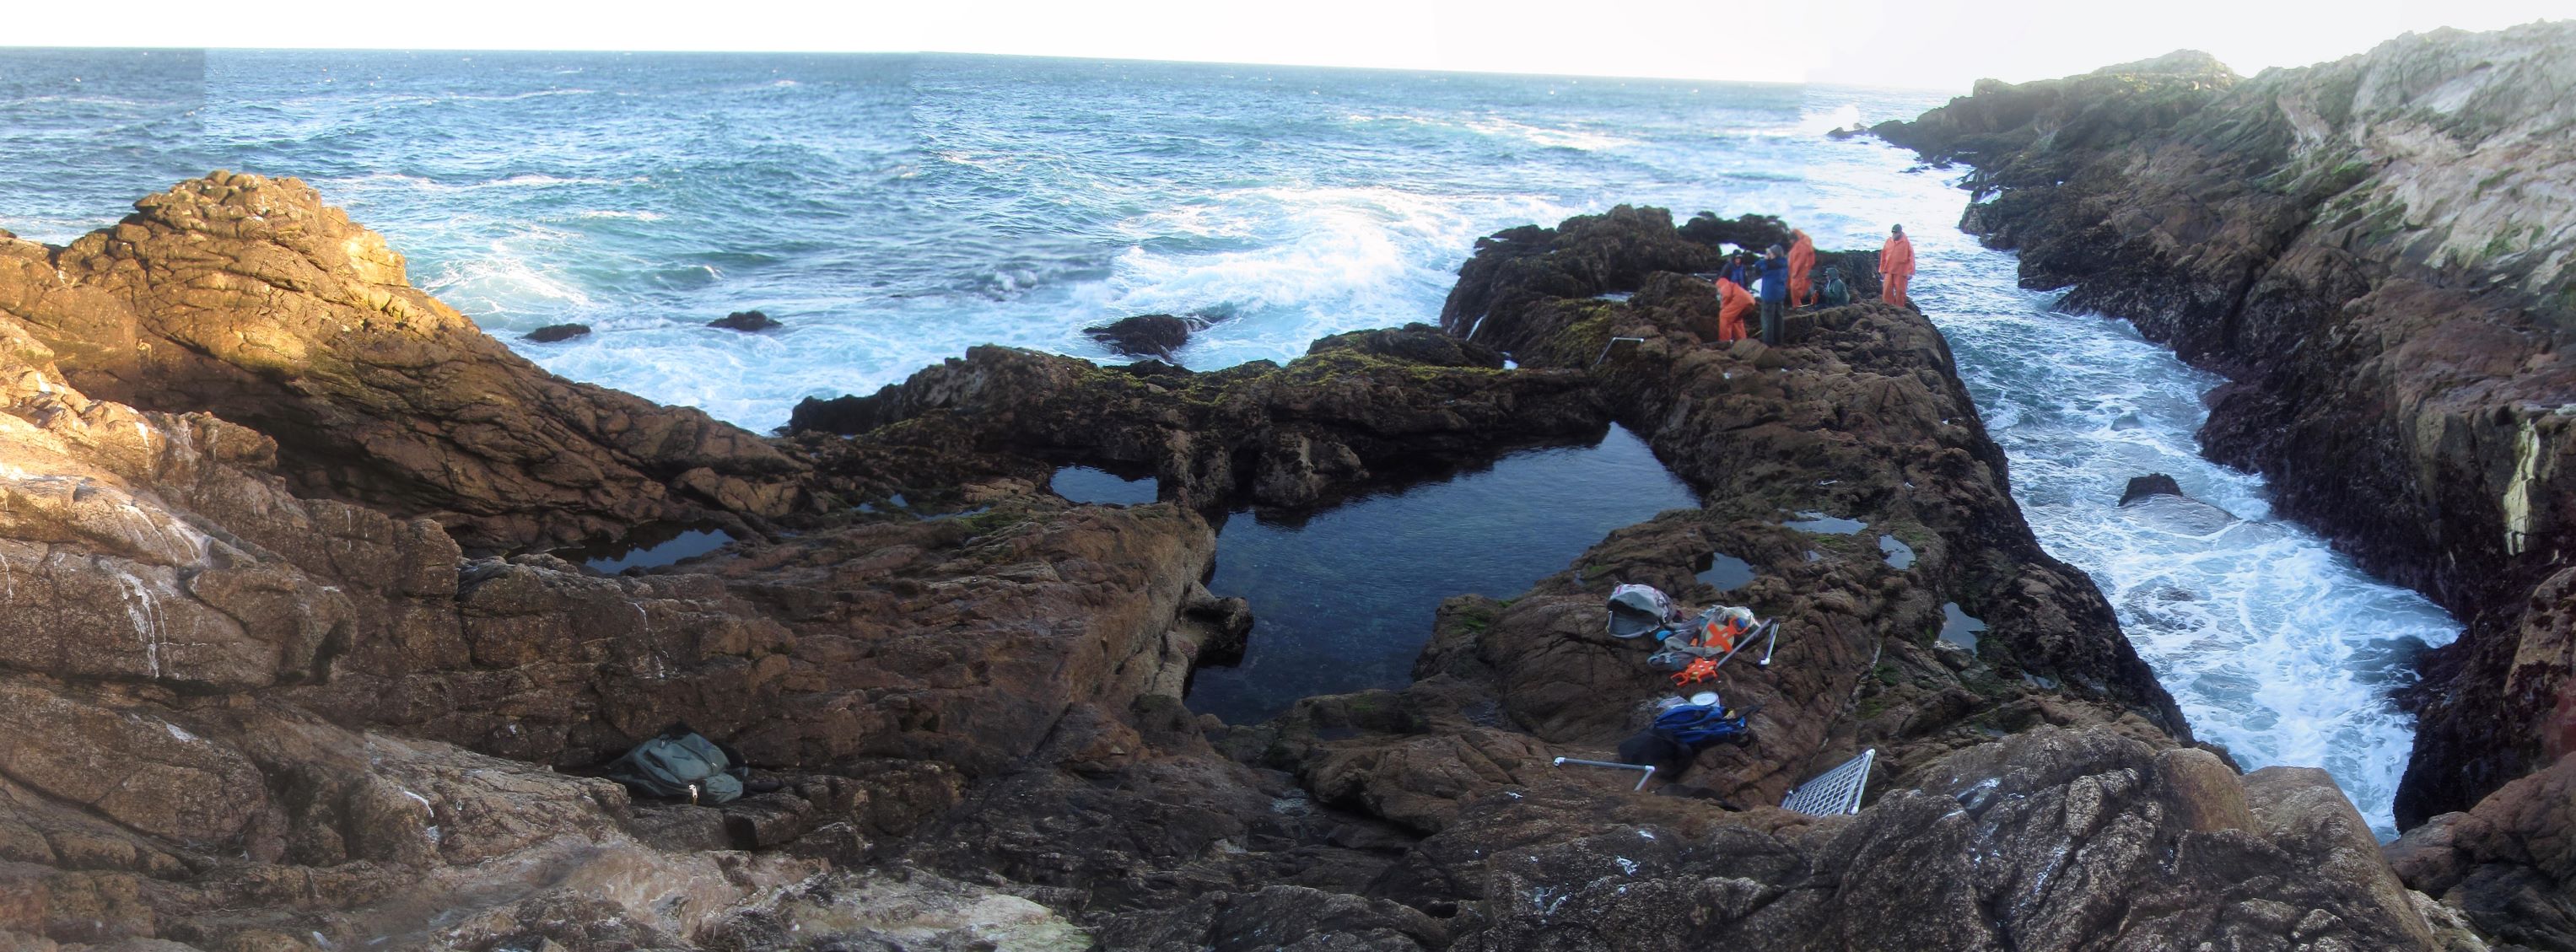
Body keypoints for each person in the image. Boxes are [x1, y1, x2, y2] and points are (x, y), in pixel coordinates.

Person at [1757, 245, 1789, 345]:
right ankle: (1778, 341)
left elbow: (1757, 267)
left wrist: (1766, 258)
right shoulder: (1784, 263)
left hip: (1769, 295)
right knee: (1778, 318)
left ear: (1774, 254)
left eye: (1770, 253)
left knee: (1767, 319)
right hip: (1780, 294)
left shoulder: (1769, 265)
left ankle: (1768, 343)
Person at [1879, 224, 1916, 308]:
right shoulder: (1888, 241)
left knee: (1900, 291)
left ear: (1900, 233)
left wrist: (1910, 272)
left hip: (1901, 271)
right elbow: (1883, 256)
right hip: (1889, 270)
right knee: (1887, 290)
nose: (1894, 235)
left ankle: (1900, 308)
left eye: (1895, 233)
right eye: (1893, 232)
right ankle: (1887, 307)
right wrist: (1882, 269)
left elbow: (1911, 258)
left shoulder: (1907, 243)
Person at [1712, 273, 1754, 342]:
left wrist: (1723, 306)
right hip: (1750, 300)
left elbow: (1727, 295)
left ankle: (1724, 342)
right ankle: (1742, 341)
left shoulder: (1721, 283)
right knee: (1736, 320)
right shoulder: (1729, 283)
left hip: (1741, 300)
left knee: (1724, 315)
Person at [1787, 229, 1816, 308]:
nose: (1790, 242)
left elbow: (1799, 260)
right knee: (1803, 286)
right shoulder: (1802, 244)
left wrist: (1794, 272)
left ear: (1793, 239)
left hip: (1799, 272)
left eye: (1790, 240)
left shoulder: (1799, 246)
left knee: (1795, 287)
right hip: (1803, 271)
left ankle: (1797, 305)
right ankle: (1799, 304)